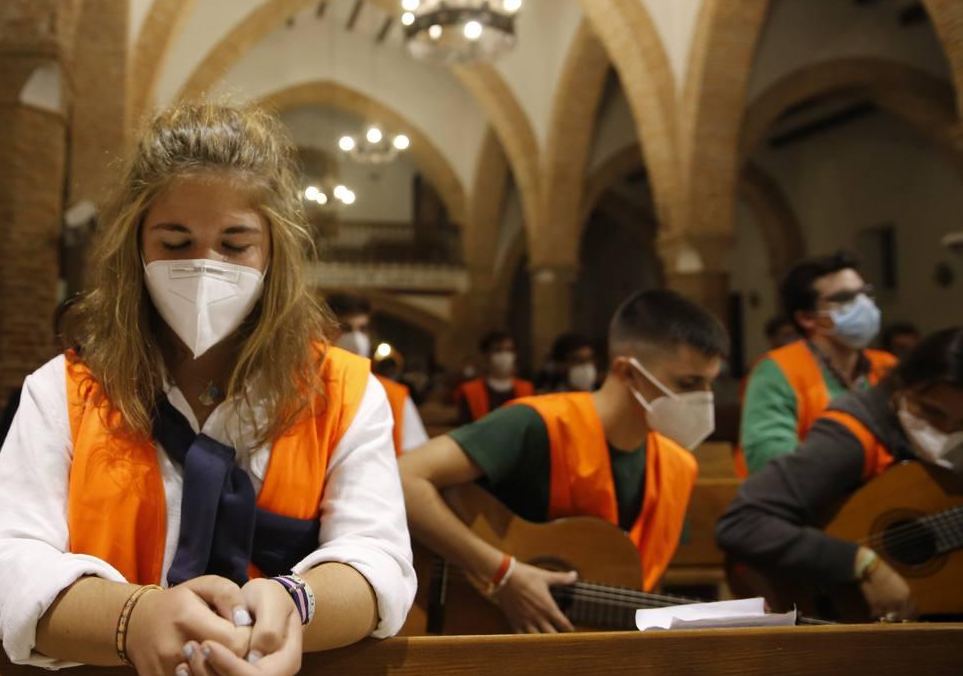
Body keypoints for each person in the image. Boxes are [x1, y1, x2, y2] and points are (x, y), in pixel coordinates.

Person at [0, 102, 415, 676]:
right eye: (176, 243)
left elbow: (376, 558)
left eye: (235, 243)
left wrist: (294, 606)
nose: (206, 267)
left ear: (273, 251)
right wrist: (134, 619)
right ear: (136, 248)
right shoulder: (67, 390)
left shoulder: (344, 392)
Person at [400, 289, 726, 633]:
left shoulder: (677, 466)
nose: (703, 399)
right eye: (689, 383)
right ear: (627, 372)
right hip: (484, 636)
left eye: (708, 384)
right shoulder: (537, 424)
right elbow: (405, 478)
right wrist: (502, 572)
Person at [717, 327, 963, 621]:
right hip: (834, 612)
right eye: (931, 412)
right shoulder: (853, 437)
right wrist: (862, 564)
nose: (946, 431)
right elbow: (742, 522)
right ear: (901, 385)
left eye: (960, 423)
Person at [737, 253, 897, 476]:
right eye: (843, 298)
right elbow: (769, 457)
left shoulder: (887, 366)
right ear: (807, 318)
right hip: (807, 503)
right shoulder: (777, 371)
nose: (862, 305)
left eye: (865, 293)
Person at [325, 293, 429, 453]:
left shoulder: (394, 396)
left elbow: (417, 455)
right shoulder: (308, 391)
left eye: (363, 329)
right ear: (326, 331)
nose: (355, 338)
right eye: (345, 328)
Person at [454, 330, 534, 423]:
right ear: (486, 356)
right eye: (498, 350)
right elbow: (465, 429)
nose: (504, 356)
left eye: (509, 350)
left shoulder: (527, 389)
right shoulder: (470, 391)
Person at [532, 332, 599, 393]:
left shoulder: (601, 398)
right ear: (559, 364)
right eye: (577, 360)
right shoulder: (547, 399)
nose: (585, 366)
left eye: (589, 359)